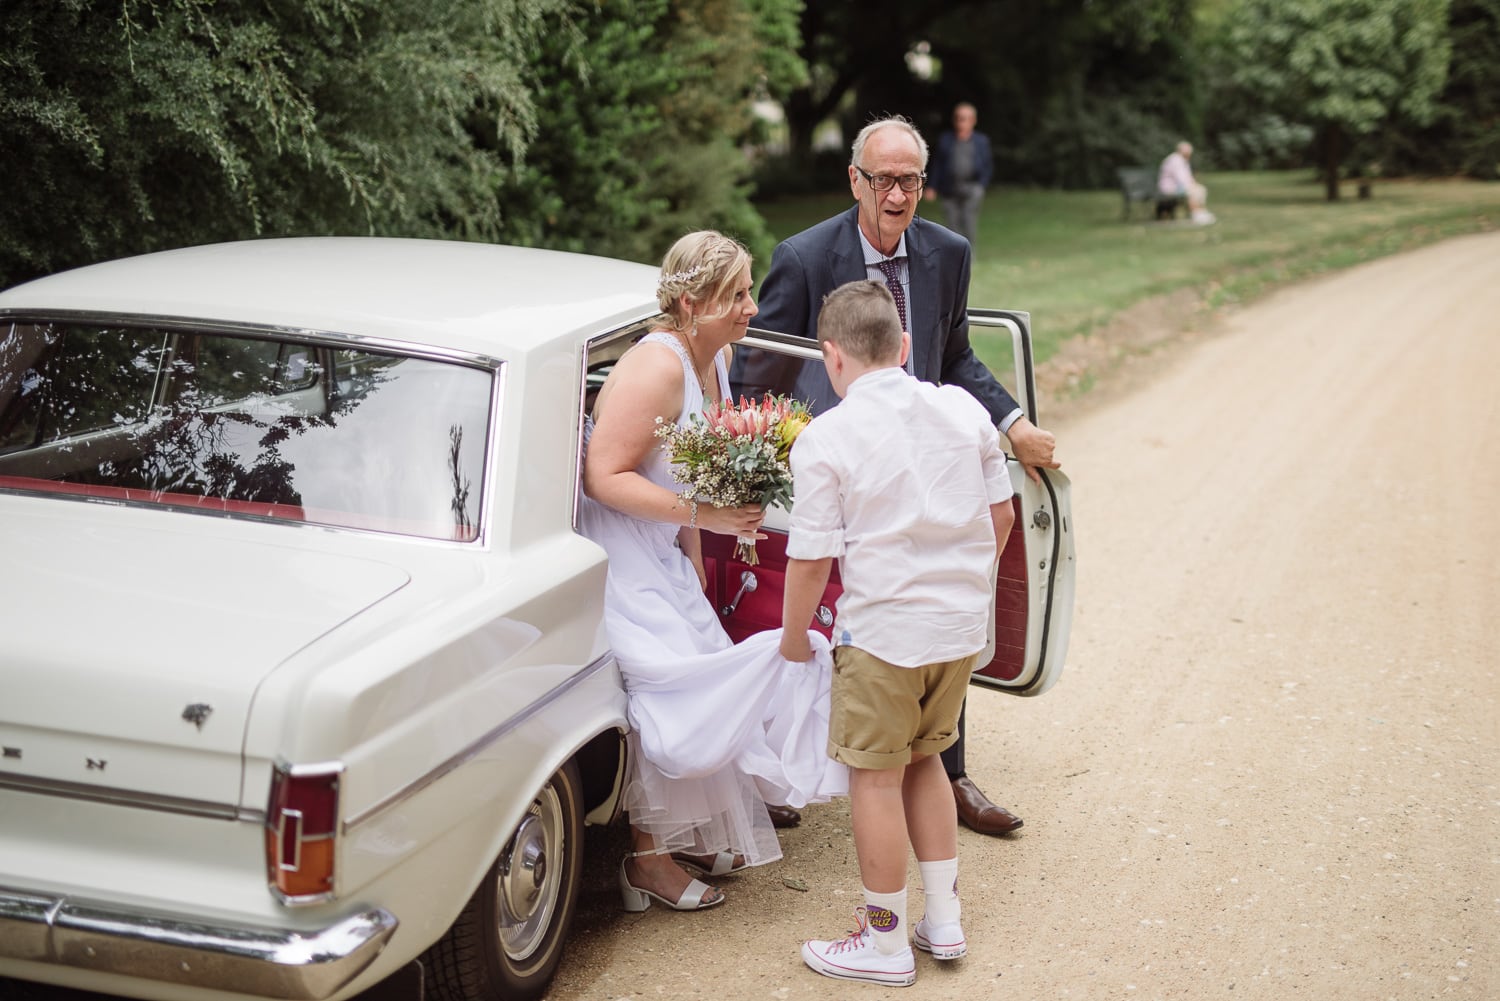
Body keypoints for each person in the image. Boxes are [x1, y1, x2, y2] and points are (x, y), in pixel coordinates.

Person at [729, 114, 1057, 837]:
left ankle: (951, 772)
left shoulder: (948, 250)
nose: (899, 195)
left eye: (910, 180)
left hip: (929, 463)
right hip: (844, 469)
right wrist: (791, 460)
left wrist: (1013, 423)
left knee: (937, 603)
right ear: (856, 181)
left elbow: (958, 355)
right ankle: (790, 773)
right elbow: (761, 379)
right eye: (884, 180)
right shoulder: (806, 256)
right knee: (834, 619)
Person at [578, 230, 847, 912]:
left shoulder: (714, 356)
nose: (751, 307)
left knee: (702, 666)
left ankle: (680, 835)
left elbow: (693, 459)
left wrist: (695, 555)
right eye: (737, 295)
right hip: (617, 548)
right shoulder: (656, 367)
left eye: (749, 290)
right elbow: (602, 476)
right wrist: (705, 517)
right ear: (693, 303)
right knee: (671, 689)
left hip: (665, 546)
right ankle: (647, 862)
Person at [781, 280, 1016, 986]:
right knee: (929, 760)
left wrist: (795, 638)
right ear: (905, 345)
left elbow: (813, 556)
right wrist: (964, 589)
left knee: (875, 779)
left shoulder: (827, 436)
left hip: (883, 633)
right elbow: (1000, 517)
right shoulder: (961, 408)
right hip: (955, 630)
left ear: (832, 357)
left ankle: (883, 941)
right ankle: (942, 918)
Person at [924, 102, 992, 247]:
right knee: (951, 226)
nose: (961, 122)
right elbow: (938, 164)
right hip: (949, 189)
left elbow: (987, 165)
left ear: (973, 120)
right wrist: (932, 187)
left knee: (968, 221)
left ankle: (969, 255)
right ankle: (954, 257)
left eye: (965, 118)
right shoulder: (946, 140)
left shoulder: (981, 141)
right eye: (959, 118)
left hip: (972, 188)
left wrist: (981, 186)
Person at [1158, 141, 1215, 224]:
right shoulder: (1175, 160)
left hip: (1178, 186)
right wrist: (1192, 185)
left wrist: (1194, 184)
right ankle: (1196, 214)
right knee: (1192, 191)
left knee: (1201, 189)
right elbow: (1181, 178)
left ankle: (1201, 211)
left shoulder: (1182, 160)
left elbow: (1187, 177)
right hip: (1169, 188)